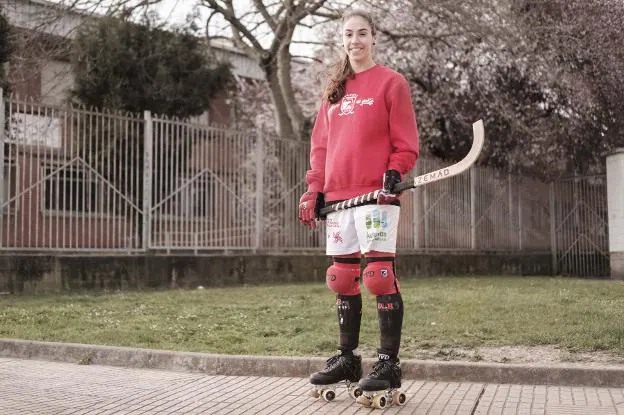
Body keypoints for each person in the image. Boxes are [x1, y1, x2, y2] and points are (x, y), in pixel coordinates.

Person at [298, 9, 419, 397]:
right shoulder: (333, 90)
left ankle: (388, 363)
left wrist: (395, 170)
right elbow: (320, 147)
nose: (355, 41)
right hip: (338, 199)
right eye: (348, 34)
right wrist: (314, 190)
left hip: (376, 195)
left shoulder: (391, 83)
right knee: (342, 278)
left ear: (374, 38)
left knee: (379, 276)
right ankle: (347, 358)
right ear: (342, 39)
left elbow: (406, 142)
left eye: (362, 33)